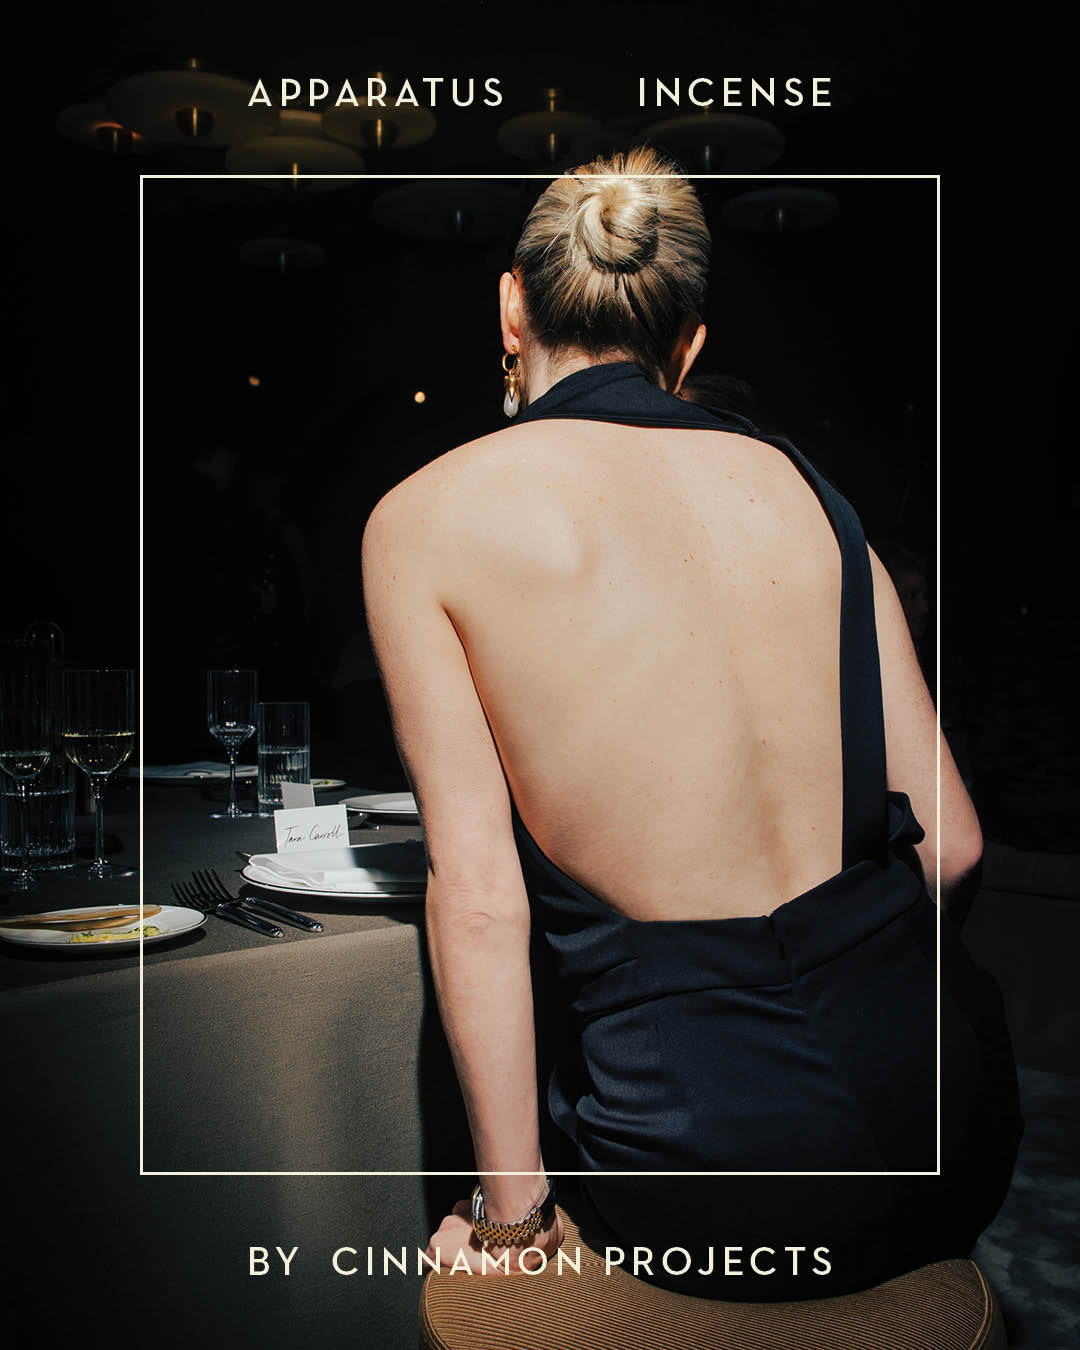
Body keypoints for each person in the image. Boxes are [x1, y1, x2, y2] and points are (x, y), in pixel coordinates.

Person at [361, 148, 1022, 1301]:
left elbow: (477, 899)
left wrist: (513, 1223)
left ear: (512, 304)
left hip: (707, 1160)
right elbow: (956, 847)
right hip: (955, 1118)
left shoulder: (425, 518)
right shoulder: (815, 495)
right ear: (690, 341)